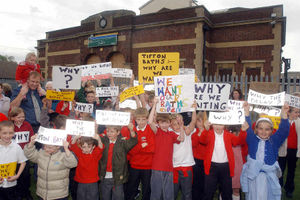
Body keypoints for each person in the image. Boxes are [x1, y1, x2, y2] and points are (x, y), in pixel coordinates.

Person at [241, 102, 290, 200]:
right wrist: (246, 111)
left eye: (267, 129)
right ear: (256, 129)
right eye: (261, 129)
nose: (263, 132)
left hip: (269, 177)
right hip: (254, 176)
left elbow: (284, 131)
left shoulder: (274, 141)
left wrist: (284, 114)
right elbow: (248, 126)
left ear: (272, 131)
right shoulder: (252, 138)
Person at [198, 119, 247, 200]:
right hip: (211, 167)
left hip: (226, 167)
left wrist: (243, 131)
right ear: (212, 124)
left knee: (227, 192)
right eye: (215, 124)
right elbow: (202, 140)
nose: (218, 126)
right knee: (208, 191)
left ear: (224, 125)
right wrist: (206, 130)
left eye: (220, 124)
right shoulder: (209, 133)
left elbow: (238, 142)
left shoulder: (228, 135)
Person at [148, 97, 185, 200]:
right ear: (158, 123)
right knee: (156, 193)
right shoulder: (157, 131)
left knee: (168, 193)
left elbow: (181, 138)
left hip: (169, 167)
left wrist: (181, 126)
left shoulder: (171, 133)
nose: (164, 124)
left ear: (169, 123)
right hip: (157, 167)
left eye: (166, 122)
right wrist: (155, 104)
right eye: (162, 122)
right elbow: (150, 122)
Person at [24, 134, 78, 200]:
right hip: (43, 193)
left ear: (58, 146)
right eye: (45, 146)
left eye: (50, 147)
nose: (46, 149)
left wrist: (66, 149)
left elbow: (72, 163)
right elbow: (29, 154)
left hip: (59, 195)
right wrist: (31, 143)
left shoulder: (63, 156)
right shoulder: (41, 153)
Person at [99, 124, 138, 200]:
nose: (109, 133)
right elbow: (94, 138)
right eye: (108, 131)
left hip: (118, 177)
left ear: (118, 132)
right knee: (105, 196)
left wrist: (131, 130)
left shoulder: (122, 142)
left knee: (118, 196)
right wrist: (95, 127)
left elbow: (133, 141)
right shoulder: (103, 141)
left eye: (112, 132)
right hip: (104, 176)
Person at [126, 108, 155, 200]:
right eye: (138, 119)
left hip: (147, 166)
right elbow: (130, 150)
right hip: (134, 165)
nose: (141, 122)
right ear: (135, 119)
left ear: (147, 119)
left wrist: (138, 147)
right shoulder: (132, 130)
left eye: (143, 119)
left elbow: (152, 149)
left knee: (147, 189)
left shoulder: (151, 130)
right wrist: (141, 146)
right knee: (131, 188)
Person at [170, 105, 196, 200]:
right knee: (173, 192)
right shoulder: (169, 132)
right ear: (170, 125)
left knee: (187, 193)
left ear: (183, 122)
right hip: (174, 167)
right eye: (175, 124)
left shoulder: (187, 131)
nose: (177, 125)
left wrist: (194, 109)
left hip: (187, 166)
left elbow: (193, 121)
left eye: (179, 122)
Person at [8, 107, 34, 200]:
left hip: (24, 154)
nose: (21, 119)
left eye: (23, 117)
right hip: (13, 155)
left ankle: (26, 192)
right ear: (13, 118)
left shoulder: (27, 125)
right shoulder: (10, 126)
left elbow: (31, 136)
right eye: (18, 117)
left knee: (26, 175)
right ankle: (18, 193)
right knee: (15, 173)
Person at [69, 134, 104, 200]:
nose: (86, 149)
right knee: (81, 197)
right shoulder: (79, 153)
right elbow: (73, 146)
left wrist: (98, 139)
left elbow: (101, 148)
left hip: (93, 183)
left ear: (93, 146)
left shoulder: (95, 154)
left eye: (89, 146)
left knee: (93, 197)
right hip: (81, 182)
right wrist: (75, 138)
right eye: (84, 147)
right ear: (81, 147)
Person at [0, 120, 27, 200]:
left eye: (10, 133)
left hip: (11, 184)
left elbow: (23, 162)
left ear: (14, 133)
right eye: (4, 133)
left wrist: (17, 176)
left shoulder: (16, 147)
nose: (8, 136)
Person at [278, 107, 300, 198]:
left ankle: (289, 189)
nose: (297, 114)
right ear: (289, 112)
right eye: (295, 112)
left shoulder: (299, 122)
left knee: (291, 171)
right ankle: (278, 188)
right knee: (280, 170)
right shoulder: (283, 120)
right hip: (282, 149)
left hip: (293, 151)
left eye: (298, 112)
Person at [191, 111, 207, 200]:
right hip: (196, 161)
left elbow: (206, 142)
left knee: (205, 184)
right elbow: (193, 144)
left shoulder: (208, 132)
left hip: (206, 161)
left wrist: (203, 133)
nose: (199, 123)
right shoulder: (194, 133)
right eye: (197, 121)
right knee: (196, 183)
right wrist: (199, 134)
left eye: (201, 121)